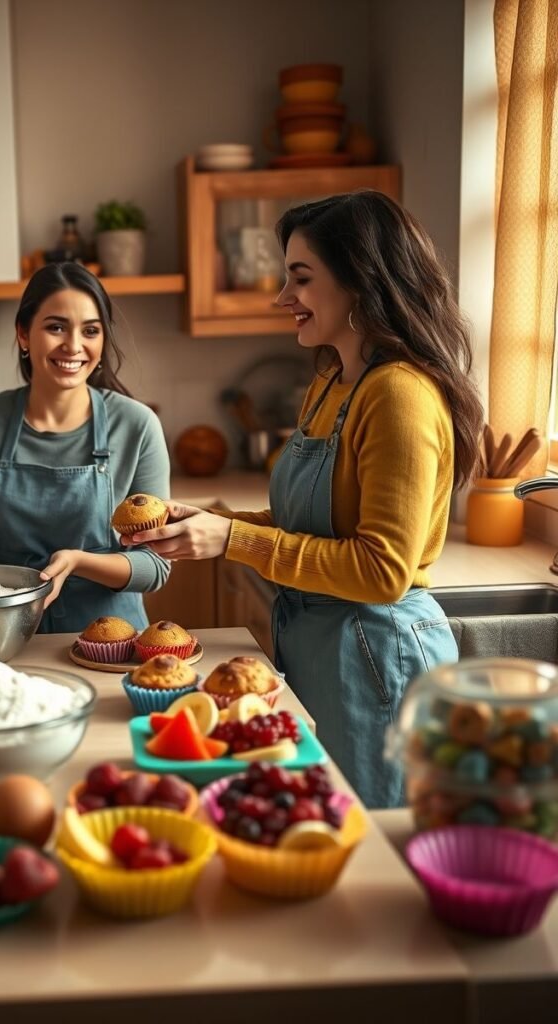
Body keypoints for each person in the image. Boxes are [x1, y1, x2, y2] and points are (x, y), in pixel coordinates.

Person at [124, 192, 484, 808]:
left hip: (378, 657)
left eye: (301, 278)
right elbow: (308, 523)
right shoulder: (333, 381)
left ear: (361, 280)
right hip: (323, 645)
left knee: (374, 847)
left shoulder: (398, 395)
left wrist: (235, 540)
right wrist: (213, 525)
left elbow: (381, 570)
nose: (282, 297)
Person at [0, 262, 170, 632]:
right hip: (4, 633)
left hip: (112, 639)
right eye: (56, 327)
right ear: (24, 334)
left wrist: (78, 562)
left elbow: (154, 566)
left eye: (91, 330)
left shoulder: (137, 425)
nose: (74, 346)